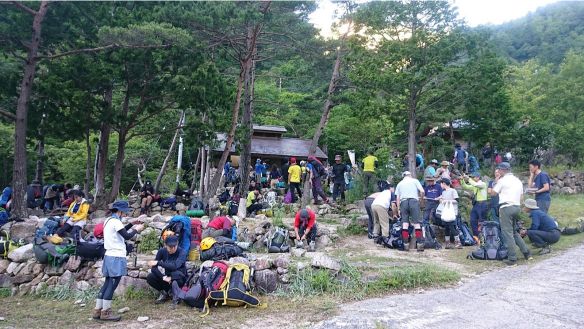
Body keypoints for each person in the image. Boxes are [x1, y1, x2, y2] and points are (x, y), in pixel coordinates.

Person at [93, 201, 144, 321]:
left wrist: (131, 224)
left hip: (109, 255)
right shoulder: (116, 221)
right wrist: (137, 229)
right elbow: (126, 236)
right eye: (124, 212)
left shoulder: (109, 221)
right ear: (120, 211)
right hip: (116, 256)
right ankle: (105, 312)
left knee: (107, 283)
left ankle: (97, 310)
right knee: (112, 284)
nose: (125, 214)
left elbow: (121, 232)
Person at [490, 162, 531, 266]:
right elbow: (522, 198)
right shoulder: (518, 181)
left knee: (507, 233)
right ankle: (527, 253)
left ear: (503, 170)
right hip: (516, 207)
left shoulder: (502, 180)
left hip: (506, 208)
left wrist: (495, 182)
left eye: (499, 169)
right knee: (513, 232)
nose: (498, 171)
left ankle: (512, 258)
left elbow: (493, 193)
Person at [146, 235, 187, 306]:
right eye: (170, 247)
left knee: (176, 274)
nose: (173, 249)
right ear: (165, 245)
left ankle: (176, 294)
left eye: (175, 246)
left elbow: (175, 266)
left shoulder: (182, 252)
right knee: (150, 277)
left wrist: (159, 263)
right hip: (167, 278)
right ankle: (165, 293)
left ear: (177, 244)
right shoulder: (162, 251)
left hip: (179, 278)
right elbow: (154, 268)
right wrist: (163, 277)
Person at [395, 171, 425, 251]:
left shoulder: (400, 183)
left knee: (405, 224)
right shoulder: (415, 181)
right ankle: (419, 245)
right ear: (410, 175)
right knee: (417, 223)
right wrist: (421, 201)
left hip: (403, 202)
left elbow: (397, 198)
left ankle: (406, 245)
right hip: (414, 202)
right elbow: (422, 191)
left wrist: (398, 209)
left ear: (403, 176)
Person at [460, 172, 488, 236]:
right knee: (473, 220)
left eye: (474, 177)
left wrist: (468, 179)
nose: (473, 178)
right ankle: (476, 237)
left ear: (478, 177)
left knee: (482, 221)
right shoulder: (475, 184)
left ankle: (484, 237)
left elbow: (475, 185)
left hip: (482, 204)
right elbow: (465, 186)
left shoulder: (483, 184)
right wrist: (462, 180)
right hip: (476, 204)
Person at [439, 178, 461, 249]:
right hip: (445, 212)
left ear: (444, 184)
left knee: (453, 227)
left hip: (453, 212)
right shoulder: (443, 192)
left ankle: (458, 242)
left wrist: (447, 201)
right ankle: (447, 243)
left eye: (441, 183)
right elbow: (442, 201)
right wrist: (441, 200)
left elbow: (457, 200)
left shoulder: (453, 190)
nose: (440, 185)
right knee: (446, 228)